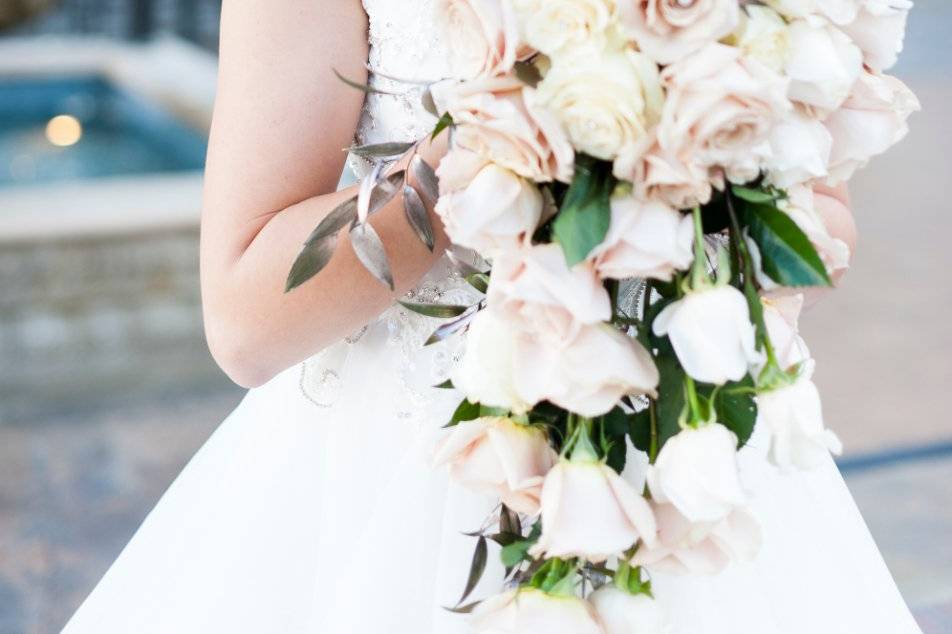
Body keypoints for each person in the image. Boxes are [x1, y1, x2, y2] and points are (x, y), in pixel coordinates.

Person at [63, 1, 920, 632]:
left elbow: (824, 221)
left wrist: (684, 192)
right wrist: (476, 163)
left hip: (684, 471)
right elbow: (246, 320)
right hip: (397, 474)